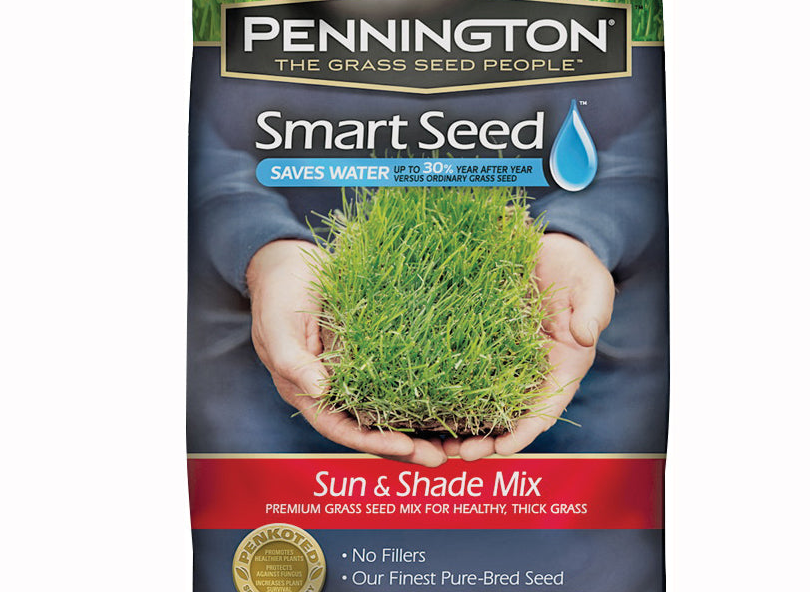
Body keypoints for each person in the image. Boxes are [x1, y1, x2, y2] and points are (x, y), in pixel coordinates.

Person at [187, 53, 668, 462]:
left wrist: (583, 230)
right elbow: (200, 147)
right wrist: (264, 246)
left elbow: (652, 138)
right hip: (273, 356)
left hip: (580, 360)